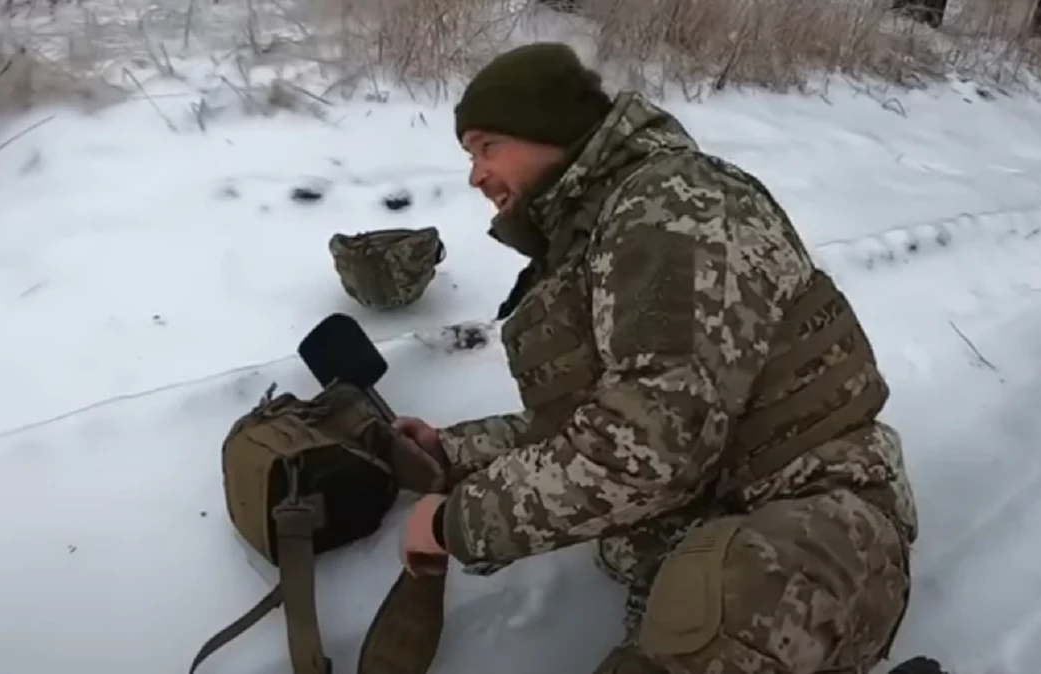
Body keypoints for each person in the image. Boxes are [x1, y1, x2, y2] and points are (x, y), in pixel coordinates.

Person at [388, 41, 922, 674]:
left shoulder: (672, 206)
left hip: (811, 523)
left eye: (485, 146)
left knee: (703, 622)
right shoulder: (603, 230)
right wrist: (452, 453)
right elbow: (592, 426)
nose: (475, 174)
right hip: (709, 528)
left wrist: (458, 523)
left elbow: (654, 445)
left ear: (545, 129)